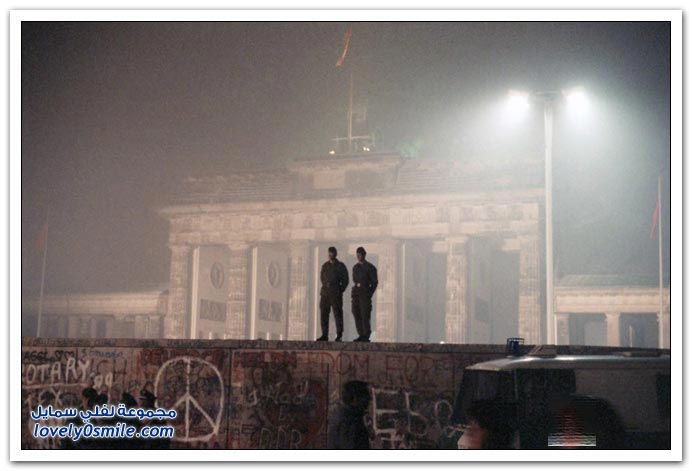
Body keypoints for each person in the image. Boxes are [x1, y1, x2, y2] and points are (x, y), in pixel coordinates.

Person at [317, 246, 349, 341]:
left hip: (336, 293)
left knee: (337, 314)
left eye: (332, 253)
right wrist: (326, 286)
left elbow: (345, 280)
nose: (330, 255)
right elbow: (322, 278)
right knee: (324, 314)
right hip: (325, 293)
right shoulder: (325, 266)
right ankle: (324, 334)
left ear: (335, 254)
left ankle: (339, 334)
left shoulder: (340, 266)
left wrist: (339, 290)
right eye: (329, 253)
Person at [328, 380, 371, 449]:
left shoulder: (341, 415)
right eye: (366, 395)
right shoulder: (350, 421)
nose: (369, 399)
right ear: (355, 398)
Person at [351, 246, 378, 342]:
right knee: (356, 312)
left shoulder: (370, 268)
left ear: (364, 255)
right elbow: (355, 280)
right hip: (356, 294)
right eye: (357, 255)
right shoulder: (355, 267)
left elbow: (374, 282)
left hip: (365, 294)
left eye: (360, 255)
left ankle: (366, 334)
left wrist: (369, 293)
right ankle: (361, 334)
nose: (358, 257)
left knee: (365, 315)